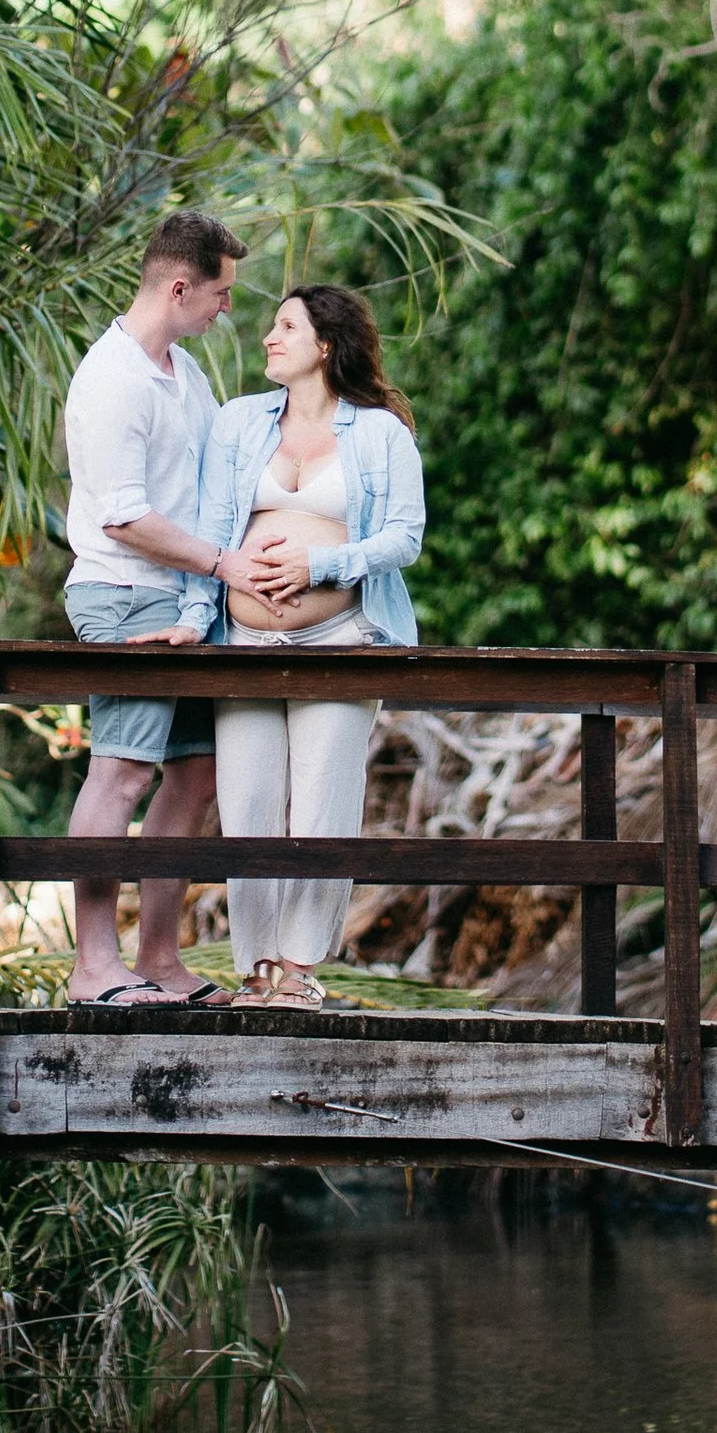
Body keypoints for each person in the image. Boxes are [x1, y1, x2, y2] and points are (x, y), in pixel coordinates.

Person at [173, 283, 424, 1008]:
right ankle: (255, 970)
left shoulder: (380, 433)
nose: (267, 338)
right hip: (243, 639)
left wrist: (318, 565)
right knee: (249, 801)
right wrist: (198, 618)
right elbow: (214, 528)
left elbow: (403, 538)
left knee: (322, 801)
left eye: (285, 327)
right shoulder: (238, 422)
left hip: (340, 637)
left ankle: (299, 970)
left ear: (325, 345)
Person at [60, 208, 256, 1005]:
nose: (226, 309)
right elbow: (124, 517)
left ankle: (161, 959)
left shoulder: (186, 373)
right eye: (221, 292)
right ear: (180, 285)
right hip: (122, 592)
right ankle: (93, 966)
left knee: (196, 775)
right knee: (123, 769)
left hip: (186, 601)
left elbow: (214, 479)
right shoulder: (111, 379)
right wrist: (225, 563)